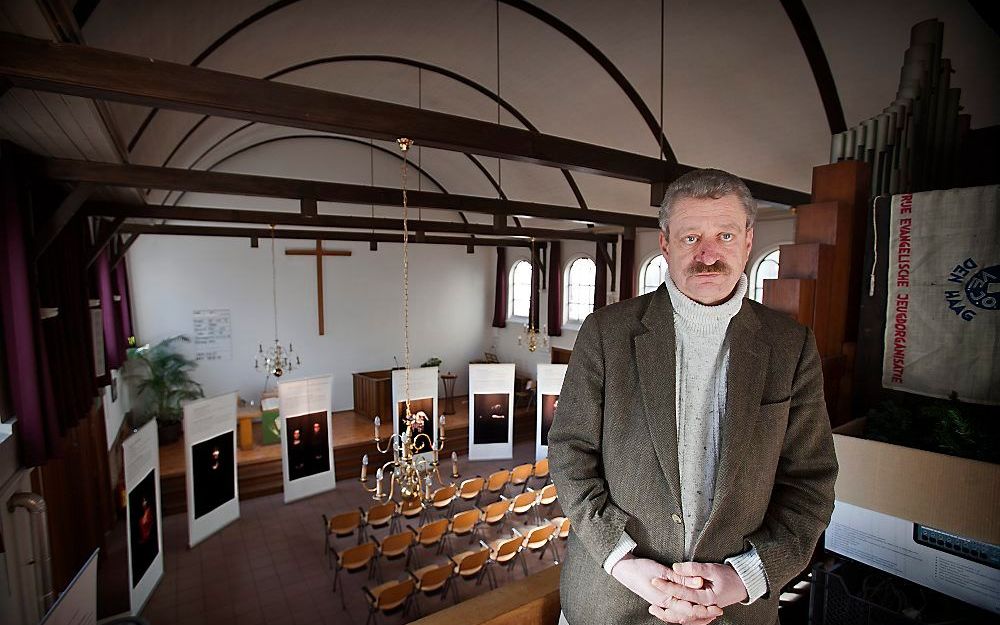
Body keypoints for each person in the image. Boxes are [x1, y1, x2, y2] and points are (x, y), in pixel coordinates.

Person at [548, 168, 838, 625]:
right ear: (664, 243)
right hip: (611, 602)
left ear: (747, 241)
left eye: (724, 235)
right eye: (690, 238)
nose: (708, 255)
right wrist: (623, 561)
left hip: (734, 612)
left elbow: (809, 482)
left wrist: (746, 576)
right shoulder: (606, 332)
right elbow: (569, 454)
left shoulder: (791, 346)